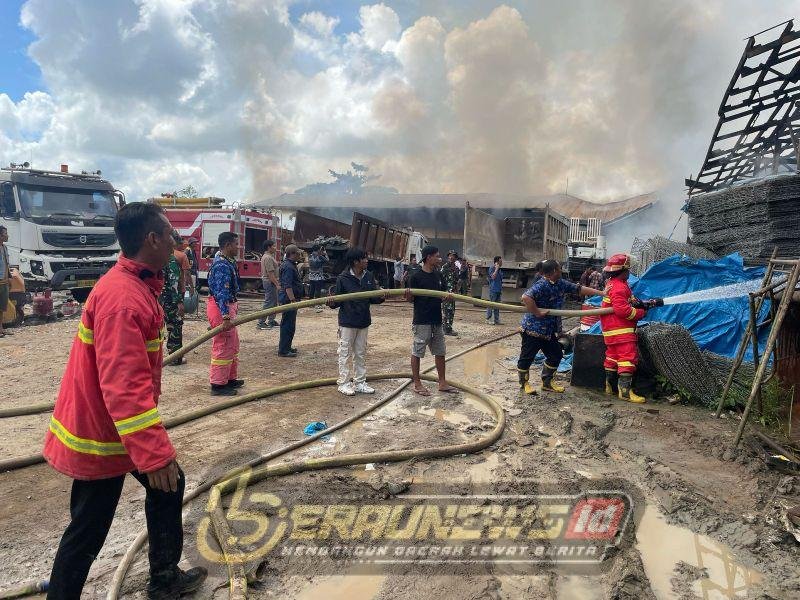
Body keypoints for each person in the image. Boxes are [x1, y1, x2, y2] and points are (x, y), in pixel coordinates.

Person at [43, 202, 207, 599]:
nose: (175, 242)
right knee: (89, 527)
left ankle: (164, 579)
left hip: (114, 428)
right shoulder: (123, 300)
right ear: (151, 239)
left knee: (167, 486)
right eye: (169, 234)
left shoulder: (135, 284)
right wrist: (154, 455)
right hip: (103, 434)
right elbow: (124, 388)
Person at [517, 259, 603, 394]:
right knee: (527, 357)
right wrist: (537, 312)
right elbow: (526, 297)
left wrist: (602, 293)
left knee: (555, 355)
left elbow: (579, 289)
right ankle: (524, 384)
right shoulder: (542, 285)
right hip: (533, 330)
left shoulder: (560, 283)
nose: (561, 270)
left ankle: (547, 382)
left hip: (549, 331)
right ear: (553, 272)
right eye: (559, 269)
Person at [327, 248, 387, 396]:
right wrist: (331, 302)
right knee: (345, 352)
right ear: (355, 261)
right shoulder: (343, 278)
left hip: (363, 321)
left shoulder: (369, 276)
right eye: (364, 258)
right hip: (347, 322)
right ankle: (344, 383)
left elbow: (373, 298)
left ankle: (360, 382)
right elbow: (338, 301)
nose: (367, 261)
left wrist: (381, 295)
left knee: (360, 353)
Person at [600, 253, 653, 404]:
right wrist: (641, 313)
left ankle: (609, 387)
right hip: (621, 330)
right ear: (622, 270)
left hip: (611, 330)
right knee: (627, 359)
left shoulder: (613, 283)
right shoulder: (619, 287)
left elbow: (626, 301)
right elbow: (623, 310)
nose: (629, 272)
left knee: (612, 357)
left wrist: (641, 302)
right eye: (628, 270)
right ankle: (625, 392)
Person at [405, 245, 458, 396]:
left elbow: (440, 297)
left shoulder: (438, 276)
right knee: (418, 352)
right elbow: (410, 300)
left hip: (436, 320)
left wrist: (445, 296)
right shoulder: (415, 277)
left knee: (440, 352)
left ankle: (442, 382)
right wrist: (408, 294)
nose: (439, 259)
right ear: (429, 257)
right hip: (422, 320)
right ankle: (417, 383)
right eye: (437, 256)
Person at [207, 231, 243, 396]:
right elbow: (221, 292)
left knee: (232, 343)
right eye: (236, 244)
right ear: (228, 245)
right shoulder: (221, 265)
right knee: (223, 344)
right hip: (222, 308)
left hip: (228, 306)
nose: (238, 247)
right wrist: (226, 316)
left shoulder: (228, 261)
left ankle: (229, 378)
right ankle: (218, 384)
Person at [159, 236, 185, 360]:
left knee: (167, 325)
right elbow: (174, 283)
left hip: (160, 299)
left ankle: (169, 354)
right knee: (176, 325)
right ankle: (175, 356)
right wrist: (179, 301)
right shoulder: (171, 260)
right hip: (170, 299)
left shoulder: (159, 258)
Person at [278, 244, 303, 357]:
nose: (299, 255)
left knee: (290, 324)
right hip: (289, 300)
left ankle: (287, 347)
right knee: (287, 325)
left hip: (290, 300)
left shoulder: (290, 265)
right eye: (298, 253)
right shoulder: (288, 267)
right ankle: (283, 350)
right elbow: (288, 286)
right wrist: (293, 300)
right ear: (292, 254)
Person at [257, 239, 280, 330]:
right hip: (269, 282)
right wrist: (277, 284)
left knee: (274, 302)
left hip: (271, 282)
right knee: (269, 302)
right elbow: (270, 274)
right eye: (274, 246)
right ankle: (261, 322)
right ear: (269, 247)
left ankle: (271, 320)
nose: (275, 248)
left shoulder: (269, 256)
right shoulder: (267, 258)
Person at [440, 250, 460, 336]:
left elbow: (456, 281)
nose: (451, 257)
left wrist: (456, 290)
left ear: (455, 258)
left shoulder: (456, 268)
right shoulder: (444, 267)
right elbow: (440, 280)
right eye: (450, 255)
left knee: (451, 311)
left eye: (453, 256)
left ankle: (449, 328)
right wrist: (442, 293)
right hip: (446, 293)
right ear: (448, 257)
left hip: (453, 293)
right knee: (446, 311)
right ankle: (446, 329)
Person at [308, 244, 329, 313]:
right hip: (318, 275)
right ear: (318, 250)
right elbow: (327, 260)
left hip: (311, 275)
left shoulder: (310, 256)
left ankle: (310, 303)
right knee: (318, 289)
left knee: (312, 289)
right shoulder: (320, 257)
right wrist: (325, 253)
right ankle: (317, 303)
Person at [486, 255, 503, 325]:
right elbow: (493, 277)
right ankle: (488, 319)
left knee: (497, 305)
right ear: (497, 262)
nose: (502, 262)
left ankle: (496, 320)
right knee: (491, 304)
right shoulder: (492, 268)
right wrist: (496, 269)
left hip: (498, 290)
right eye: (500, 261)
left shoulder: (500, 270)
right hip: (493, 289)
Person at [0, 225, 10, 337]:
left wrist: (9, 278)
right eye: (5, 234)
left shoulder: (5, 248)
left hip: (5, 282)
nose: (7, 236)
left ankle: (1, 329)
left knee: (2, 307)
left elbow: (7, 264)